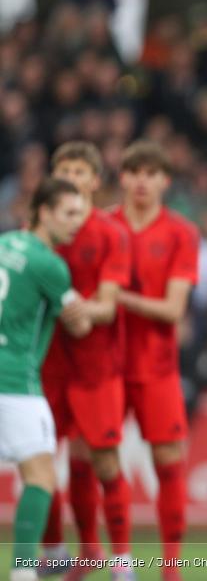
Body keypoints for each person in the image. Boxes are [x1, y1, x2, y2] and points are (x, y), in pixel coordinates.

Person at [37, 143, 135, 580]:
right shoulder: (37, 231)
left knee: (103, 461)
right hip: (48, 365)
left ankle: (120, 560)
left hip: (96, 366)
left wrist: (80, 311)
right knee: (40, 459)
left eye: (81, 171)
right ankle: (61, 551)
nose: (73, 177)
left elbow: (109, 306)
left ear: (95, 180)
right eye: (65, 170)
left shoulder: (111, 234)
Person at [111, 141, 199, 581]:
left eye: (151, 172)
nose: (141, 180)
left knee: (168, 464)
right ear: (122, 177)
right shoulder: (101, 227)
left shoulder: (181, 233)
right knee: (101, 464)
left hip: (156, 367)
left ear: (165, 180)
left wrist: (117, 297)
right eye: (133, 171)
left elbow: (172, 310)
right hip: (103, 366)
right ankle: (118, 563)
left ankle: (170, 568)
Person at [0, 179, 92, 581]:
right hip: (16, 381)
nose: (77, 223)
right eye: (69, 213)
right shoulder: (49, 264)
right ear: (43, 212)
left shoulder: (3, 244)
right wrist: (86, 310)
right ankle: (23, 572)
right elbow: (81, 323)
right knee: (41, 476)